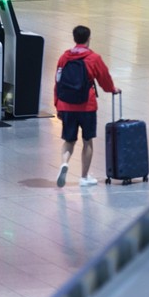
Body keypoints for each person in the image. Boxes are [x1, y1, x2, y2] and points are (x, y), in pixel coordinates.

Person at [54, 25, 120, 188]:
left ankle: (64, 163)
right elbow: (104, 78)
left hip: (67, 105)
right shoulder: (93, 58)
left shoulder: (64, 57)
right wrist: (112, 89)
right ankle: (84, 177)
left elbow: (57, 81)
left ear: (74, 38)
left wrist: (58, 104)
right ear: (88, 38)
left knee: (69, 140)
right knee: (87, 141)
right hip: (87, 106)